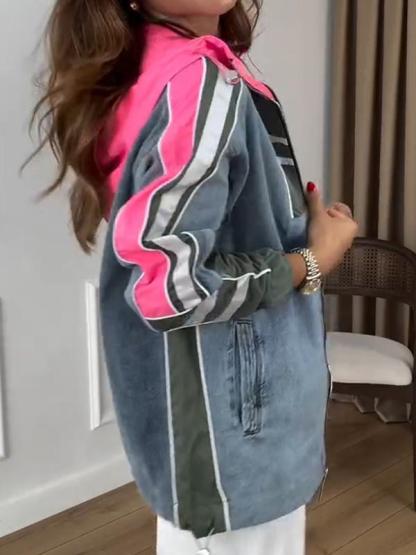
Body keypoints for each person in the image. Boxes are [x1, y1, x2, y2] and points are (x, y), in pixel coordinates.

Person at [30, 1, 358, 553]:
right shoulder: (196, 83)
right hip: (237, 433)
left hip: (221, 420)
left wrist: (300, 232)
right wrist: (312, 261)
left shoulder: (169, 68)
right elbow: (173, 287)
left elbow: (213, 237)